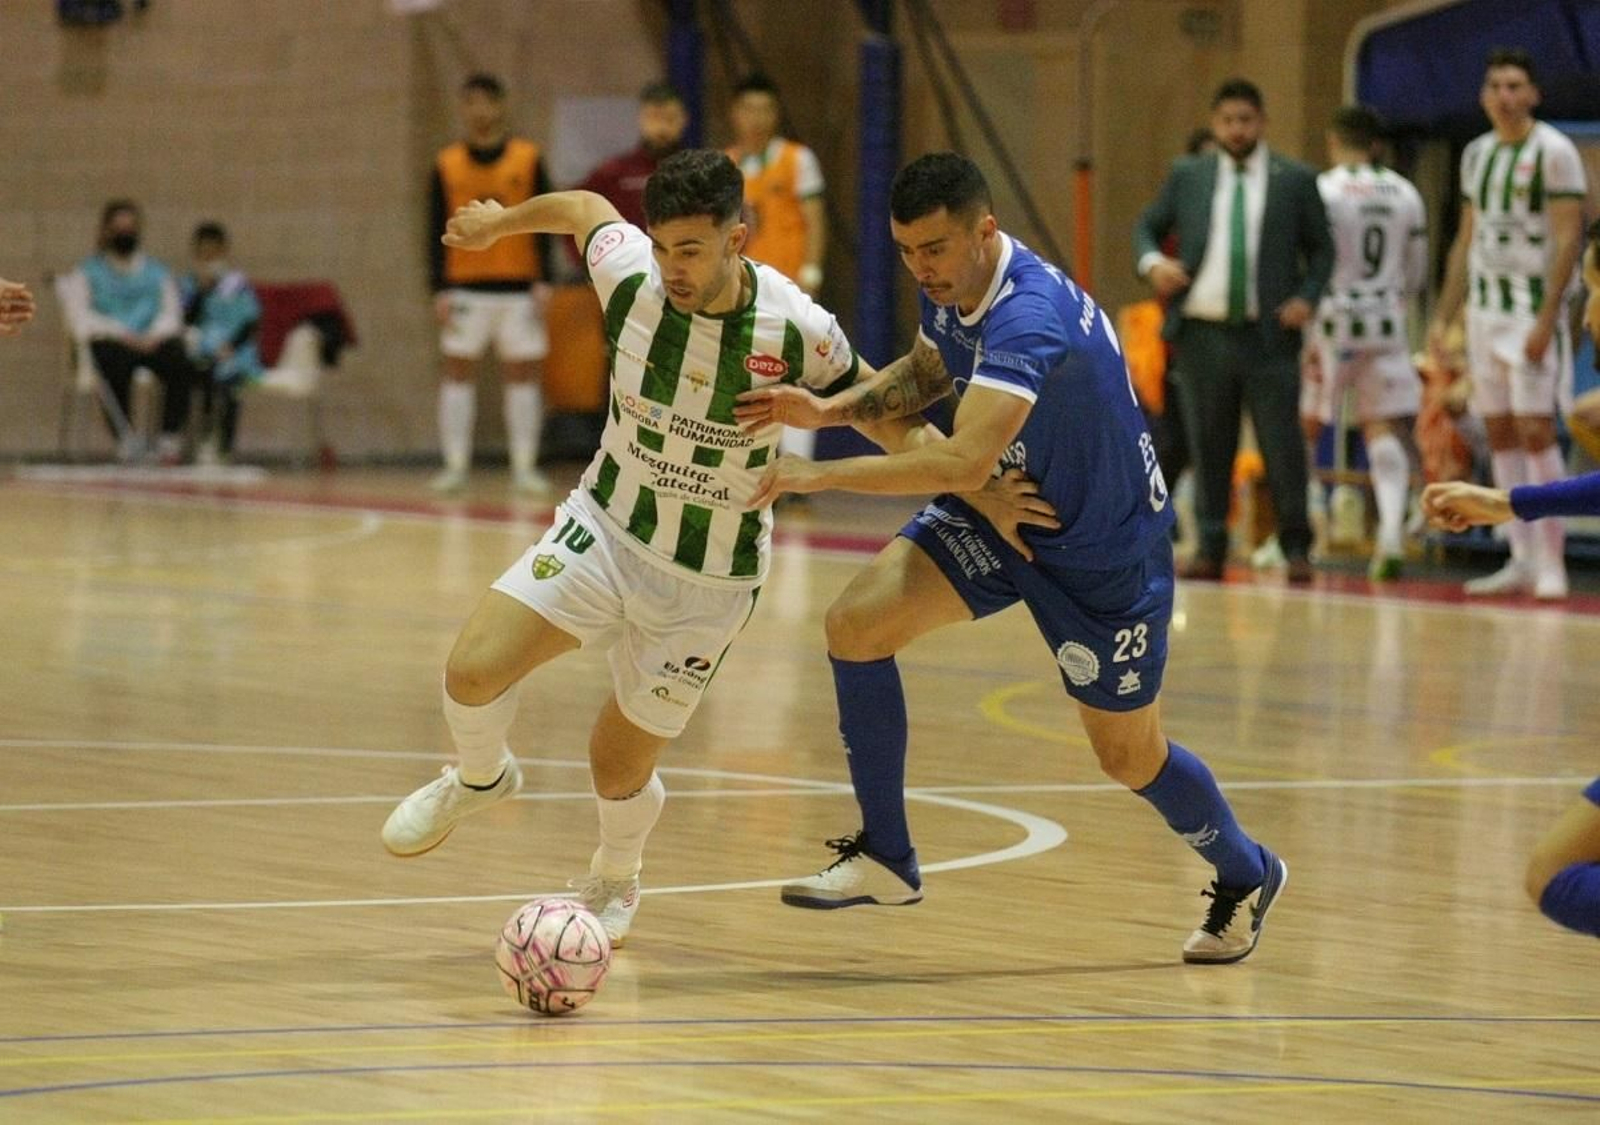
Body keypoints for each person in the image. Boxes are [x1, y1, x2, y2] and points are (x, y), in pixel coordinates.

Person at [737, 153, 1286, 964]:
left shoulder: (1029, 316)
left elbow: (961, 460)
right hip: (1008, 509)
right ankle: (888, 852)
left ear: (984, 231)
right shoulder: (956, 287)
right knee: (855, 624)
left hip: (1104, 557)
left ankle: (1248, 869)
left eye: (934, 249)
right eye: (906, 252)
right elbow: (926, 373)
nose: (922, 268)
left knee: (1128, 755)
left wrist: (817, 470)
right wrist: (828, 409)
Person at [380, 150, 862, 947]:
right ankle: (481, 776)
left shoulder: (797, 327)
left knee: (614, 759)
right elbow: (582, 208)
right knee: (471, 671)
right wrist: (501, 225)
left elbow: (876, 398)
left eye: (691, 250)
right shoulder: (631, 273)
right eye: (662, 245)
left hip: (707, 579)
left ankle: (615, 871)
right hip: (605, 526)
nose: (672, 267)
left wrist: (950, 465)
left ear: (736, 239)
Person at [1134, 78, 1335, 583]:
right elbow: (1146, 226)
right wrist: (1153, 262)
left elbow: (1324, 250)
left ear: (1262, 122)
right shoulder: (1189, 174)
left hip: (1270, 333)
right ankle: (1210, 546)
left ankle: (1296, 546)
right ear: (1215, 122)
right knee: (1208, 444)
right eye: (1227, 121)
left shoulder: (1294, 178)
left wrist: (1307, 298)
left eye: (1245, 120)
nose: (1236, 130)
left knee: (1281, 444)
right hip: (1203, 331)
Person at [1428, 49, 1588, 600]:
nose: (1505, 95)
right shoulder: (1476, 154)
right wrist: (1444, 315)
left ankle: (1552, 561)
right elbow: (1464, 240)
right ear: (1482, 96)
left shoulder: (1555, 151)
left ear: (1534, 94)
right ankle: (1519, 557)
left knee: (1536, 429)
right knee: (1497, 430)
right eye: (1495, 85)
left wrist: (1548, 319)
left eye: (1516, 85)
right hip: (1484, 313)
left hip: (1529, 311)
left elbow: (1569, 238)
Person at [1302, 106, 1428, 580]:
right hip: (1386, 320)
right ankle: (1390, 532)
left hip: (1333, 318)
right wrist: (1396, 299)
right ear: (1376, 145)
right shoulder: (1405, 191)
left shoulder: (1324, 188)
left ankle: (1304, 526)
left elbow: (1307, 257)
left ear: (1334, 141)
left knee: (1307, 423)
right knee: (1381, 425)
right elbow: (1417, 267)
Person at [428, 73, 557, 494]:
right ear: (462, 108)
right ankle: (455, 466)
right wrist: (439, 287)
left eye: (487, 101)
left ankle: (524, 467)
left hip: (519, 286)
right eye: (471, 102)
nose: (480, 110)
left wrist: (545, 279)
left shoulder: (527, 158)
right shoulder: (447, 163)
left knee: (522, 376)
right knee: (456, 373)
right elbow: (434, 227)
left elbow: (546, 219)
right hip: (465, 286)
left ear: (501, 106)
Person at [727, 72, 828, 467]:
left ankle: (797, 469)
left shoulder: (797, 159)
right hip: (743, 287)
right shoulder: (727, 163)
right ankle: (749, 464)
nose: (756, 118)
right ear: (735, 113)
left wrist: (812, 272)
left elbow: (815, 219)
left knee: (796, 372)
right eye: (748, 109)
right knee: (746, 374)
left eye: (765, 109)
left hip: (789, 285)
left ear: (776, 114)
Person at [59, 199, 198, 463]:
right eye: (118, 228)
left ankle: (168, 439)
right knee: (112, 361)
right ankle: (126, 439)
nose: (125, 233)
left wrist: (153, 335)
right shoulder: (88, 272)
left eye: (130, 228)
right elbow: (79, 318)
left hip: (151, 340)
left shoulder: (157, 272)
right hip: (114, 342)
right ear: (106, 231)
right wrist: (122, 334)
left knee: (179, 358)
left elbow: (171, 314)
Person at [179, 221, 262, 463]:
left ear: (224, 252)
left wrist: (231, 347)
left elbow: (250, 321)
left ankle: (225, 445)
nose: (209, 259)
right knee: (198, 373)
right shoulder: (189, 284)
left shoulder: (237, 284)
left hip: (235, 351)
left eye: (214, 253)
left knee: (230, 383)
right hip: (202, 349)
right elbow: (186, 320)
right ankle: (202, 438)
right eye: (203, 253)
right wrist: (201, 291)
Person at [577, 82, 689, 229]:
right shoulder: (613, 172)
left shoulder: (699, 172)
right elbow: (576, 213)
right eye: (654, 117)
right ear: (640, 118)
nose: (661, 127)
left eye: (670, 118)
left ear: (684, 119)